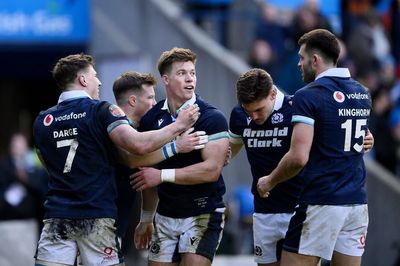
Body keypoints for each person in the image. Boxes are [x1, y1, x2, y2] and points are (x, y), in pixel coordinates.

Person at [33, 53, 201, 266]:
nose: (99, 81)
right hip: (95, 216)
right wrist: (178, 127)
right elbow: (137, 146)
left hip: (56, 217)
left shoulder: (43, 120)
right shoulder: (101, 110)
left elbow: (47, 162)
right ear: (83, 80)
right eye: (94, 75)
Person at [228, 68, 374, 266]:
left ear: (272, 94)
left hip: (299, 210)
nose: (253, 116)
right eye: (248, 110)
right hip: (263, 212)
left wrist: (365, 137)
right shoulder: (238, 115)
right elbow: (228, 150)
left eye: (259, 110)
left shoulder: (297, 107)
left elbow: (333, 135)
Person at [257, 29, 372, 266]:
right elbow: (358, 136)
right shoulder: (362, 93)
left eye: (301, 58)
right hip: (357, 203)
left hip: (322, 201)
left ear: (315, 60)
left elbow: (298, 157)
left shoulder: (308, 96)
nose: (299, 64)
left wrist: (269, 181)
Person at [131, 47, 230, 266]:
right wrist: (146, 218)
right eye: (182, 73)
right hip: (166, 214)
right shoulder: (151, 119)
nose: (190, 79)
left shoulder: (211, 117)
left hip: (203, 211)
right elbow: (148, 175)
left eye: (192, 73)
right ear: (165, 79)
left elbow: (211, 171)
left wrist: (162, 175)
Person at [111, 71, 208, 259]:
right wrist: (177, 142)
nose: (154, 103)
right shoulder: (114, 125)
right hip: (100, 220)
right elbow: (134, 156)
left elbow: (149, 170)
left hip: (114, 221)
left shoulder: (139, 131)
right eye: (150, 97)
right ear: (132, 101)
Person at [0, 133, 47, 266]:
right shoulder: (4, 166)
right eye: (16, 145)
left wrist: (25, 179)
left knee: (27, 258)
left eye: (21, 145)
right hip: (7, 223)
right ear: (11, 147)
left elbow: (41, 189)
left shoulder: (35, 166)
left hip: (30, 222)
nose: (19, 148)